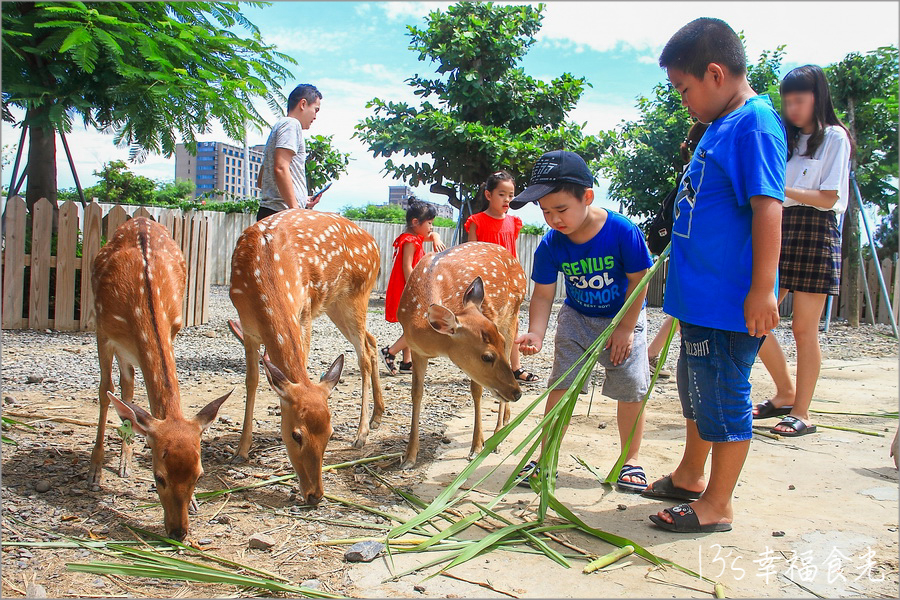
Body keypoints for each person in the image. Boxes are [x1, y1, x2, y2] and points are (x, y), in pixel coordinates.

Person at [642, 17, 786, 534]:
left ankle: (717, 504)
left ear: (716, 74)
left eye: (684, 89)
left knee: (722, 395)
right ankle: (690, 475)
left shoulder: (754, 124)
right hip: (700, 299)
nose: (683, 101)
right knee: (695, 388)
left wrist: (761, 289)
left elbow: (769, 207)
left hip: (728, 302)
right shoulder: (721, 125)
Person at [513, 150, 654, 493]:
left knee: (630, 388)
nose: (553, 219)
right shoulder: (551, 244)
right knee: (561, 385)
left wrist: (624, 329)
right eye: (546, 212)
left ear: (587, 197)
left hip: (623, 316)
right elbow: (544, 294)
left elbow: (640, 279)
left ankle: (630, 460)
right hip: (577, 318)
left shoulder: (622, 231)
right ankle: (546, 456)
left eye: (561, 209)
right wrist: (536, 331)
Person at [753, 65, 853, 437]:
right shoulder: (785, 137)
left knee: (803, 328)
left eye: (800, 100)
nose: (792, 108)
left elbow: (828, 198)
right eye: (787, 101)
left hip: (816, 230)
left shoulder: (836, 139)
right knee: (755, 318)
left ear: (818, 98)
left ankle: (803, 412)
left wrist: (781, 187)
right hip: (778, 226)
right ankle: (784, 392)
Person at [646, 121, 709, 379]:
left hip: (684, 249)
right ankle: (650, 356)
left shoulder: (689, 168)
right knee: (684, 311)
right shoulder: (700, 170)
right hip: (694, 251)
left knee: (680, 311)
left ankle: (650, 354)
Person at [465, 170, 538, 384]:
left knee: (511, 323)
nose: (507, 199)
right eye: (502, 194)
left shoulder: (513, 222)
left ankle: (515, 367)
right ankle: (480, 366)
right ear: (488, 195)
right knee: (484, 325)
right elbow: (470, 253)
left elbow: (512, 253)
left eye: (510, 195)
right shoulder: (476, 221)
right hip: (485, 284)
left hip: (508, 282)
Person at [382, 200, 445, 375]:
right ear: (416, 222)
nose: (431, 227)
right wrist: (415, 289)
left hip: (408, 287)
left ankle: (406, 362)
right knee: (418, 326)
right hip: (407, 287)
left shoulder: (414, 237)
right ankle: (390, 352)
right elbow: (407, 266)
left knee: (410, 325)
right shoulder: (410, 240)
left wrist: (436, 236)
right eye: (430, 223)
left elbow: (431, 235)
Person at [256, 84, 322, 221]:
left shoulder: (278, 127)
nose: (315, 116)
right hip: (281, 215)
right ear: (303, 104)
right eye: (316, 110)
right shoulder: (291, 124)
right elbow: (280, 168)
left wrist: (303, 199)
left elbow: (261, 181)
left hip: (270, 213)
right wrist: (295, 210)